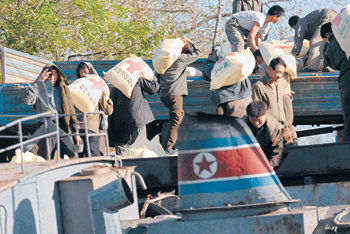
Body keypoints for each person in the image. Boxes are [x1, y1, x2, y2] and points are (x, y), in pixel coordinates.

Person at [24, 64, 82, 159]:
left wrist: (76, 133)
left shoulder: (63, 89)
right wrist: (39, 81)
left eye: (54, 75)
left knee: (72, 154)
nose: (51, 78)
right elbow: (27, 100)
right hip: (46, 126)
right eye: (49, 75)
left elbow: (71, 111)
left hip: (62, 124)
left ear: (58, 76)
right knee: (46, 157)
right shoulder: (39, 89)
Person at [157, 37, 202, 154]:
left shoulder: (166, 61)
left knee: (179, 117)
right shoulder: (181, 59)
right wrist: (190, 40)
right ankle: (169, 148)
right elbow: (199, 53)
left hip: (163, 94)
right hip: (174, 94)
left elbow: (157, 75)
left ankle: (176, 144)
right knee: (176, 120)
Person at [253, 50, 297, 144]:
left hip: (283, 131)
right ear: (269, 70)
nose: (280, 76)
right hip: (270, 132)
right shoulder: (259, 87)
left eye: (282, 73)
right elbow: (257, 113)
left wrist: (290, 133)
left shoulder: (278, 86)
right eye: (278, 72)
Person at [108, 76, 159, 156]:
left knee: (122, 152)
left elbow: (111, 109)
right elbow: (154, 88)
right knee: (140, 148)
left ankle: (121, 165)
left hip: (121, 123)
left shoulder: (115, 87)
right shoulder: (137, 80)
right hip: (138, 119)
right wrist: (152, 77)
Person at [75, 62, 113, 157]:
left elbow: (108, 110)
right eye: (81, 73)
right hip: (81, 128)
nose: (84, 75)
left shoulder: (98, 87)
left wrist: (101, 95)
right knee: (87, 156)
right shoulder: (76, 87)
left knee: (91, 155)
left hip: (91, 127)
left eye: (85, 72)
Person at [202, 45, 252, 117]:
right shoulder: (238, 63)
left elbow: (205, 76)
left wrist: (209, 59)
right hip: (246, 99)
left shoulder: (213, 68)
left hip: (227, 103)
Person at [321, 23, 350, 142]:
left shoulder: (330, 47)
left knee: (348, 121)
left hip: (346, 82)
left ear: (327, 35)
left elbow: (332, 66)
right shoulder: (346, 39)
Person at [244, 101, 284, 167]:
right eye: (253, 120)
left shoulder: (274, 127)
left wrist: (271, 166)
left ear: (266, 114)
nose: (256, 123)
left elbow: (278, 149)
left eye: (259, 120)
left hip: (267, 158)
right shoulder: (242, 125)